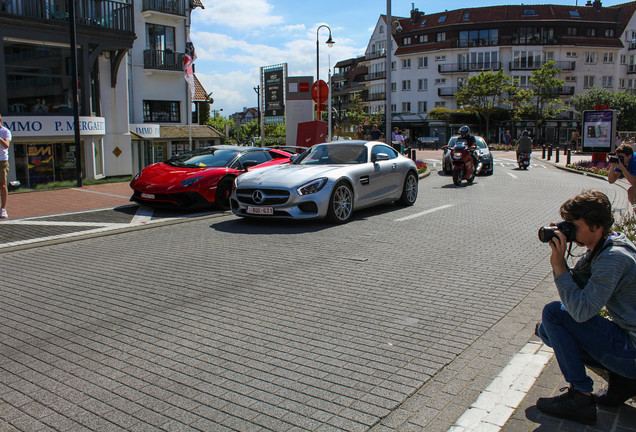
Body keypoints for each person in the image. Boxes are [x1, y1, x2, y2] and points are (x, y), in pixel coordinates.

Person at [535, 190, 636, 425]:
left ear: (595, 225)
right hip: (629, 343)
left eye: (574, 226)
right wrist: (562, 247)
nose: (570, 231)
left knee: (553, 314)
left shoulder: (613, 257)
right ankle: (623, 380)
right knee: (547, 329)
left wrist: (559, 264)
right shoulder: (605, 245)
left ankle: (580, 397)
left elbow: (580, 312)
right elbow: (578, 281)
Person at [608, 143, 636, 208]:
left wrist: (623, 168)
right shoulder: (622, 161)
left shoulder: (634, 161)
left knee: (632, 191)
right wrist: (612, 166)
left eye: (621, 157)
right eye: (618, 157)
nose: (620, 159)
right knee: (632, 193)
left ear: (630, 156)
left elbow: (634, 183)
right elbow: (611, 181)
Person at [0, 113, 11, 219]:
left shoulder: (5, 131)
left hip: (2, 161)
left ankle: (3, 209)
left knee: (2, 185)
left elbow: (6, 145)